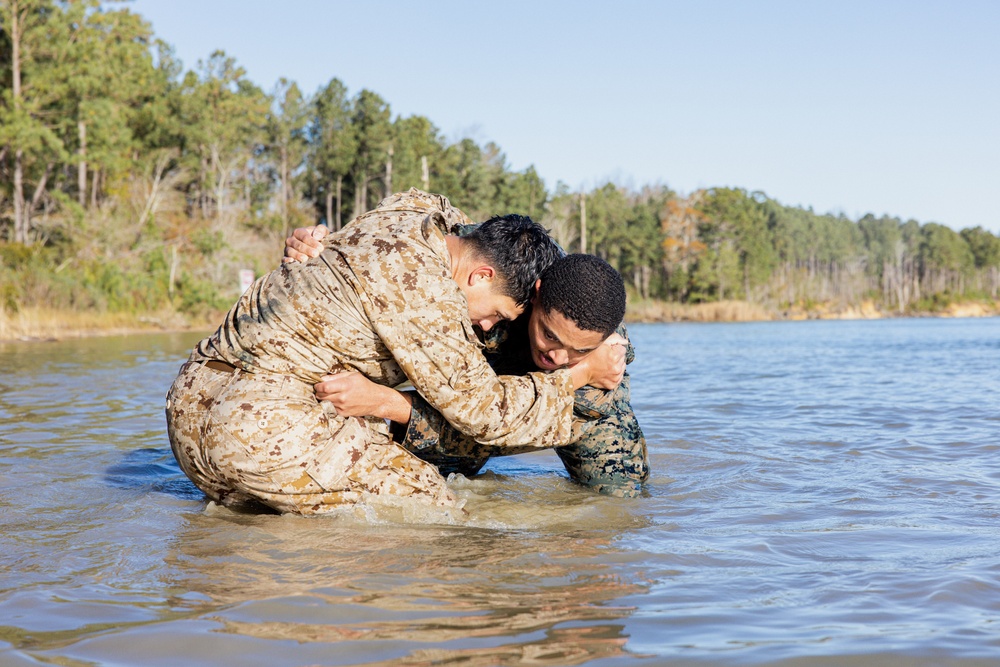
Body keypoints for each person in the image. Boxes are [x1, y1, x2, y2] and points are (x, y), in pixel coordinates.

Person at [166, 189, 626, 515]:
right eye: (498, 314)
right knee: (442, 516)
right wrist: (577, 378)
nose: (487, 327)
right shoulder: (429, 297)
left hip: (189, 411)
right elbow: (487, 414)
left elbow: (433, 205)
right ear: (482, 275)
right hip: (265, 429)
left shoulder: (408, 215)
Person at [284, 227, 649, 497]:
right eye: (549, 335)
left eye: (578, 351)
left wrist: (387, 403)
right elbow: (419, 257)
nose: (558, 357)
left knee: (618, 504)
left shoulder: (603, 371)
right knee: (432, 493)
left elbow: (495, 434)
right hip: (476, 389)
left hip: (545, 417)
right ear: (535, 296)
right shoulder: (507, 275)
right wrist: (328, 250)